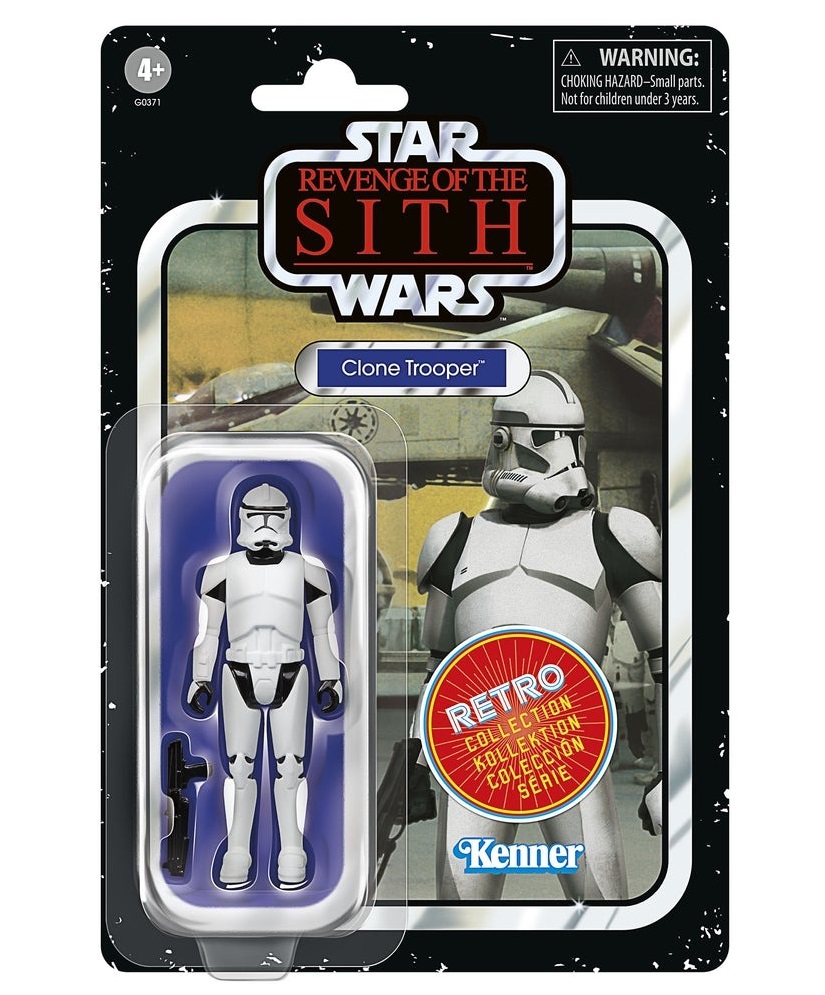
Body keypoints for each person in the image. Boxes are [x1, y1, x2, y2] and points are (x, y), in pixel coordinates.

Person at [416, 371, 662, 900]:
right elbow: (438, 668)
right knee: (461, 917)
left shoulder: (616, 534)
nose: (559, 455)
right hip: (475, 743)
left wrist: (674, 772)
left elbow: (670, 662)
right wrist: (420, 755)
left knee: (600, 909)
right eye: (545, 438)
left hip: (572, 741)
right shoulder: (453, 537)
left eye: (564, 439)